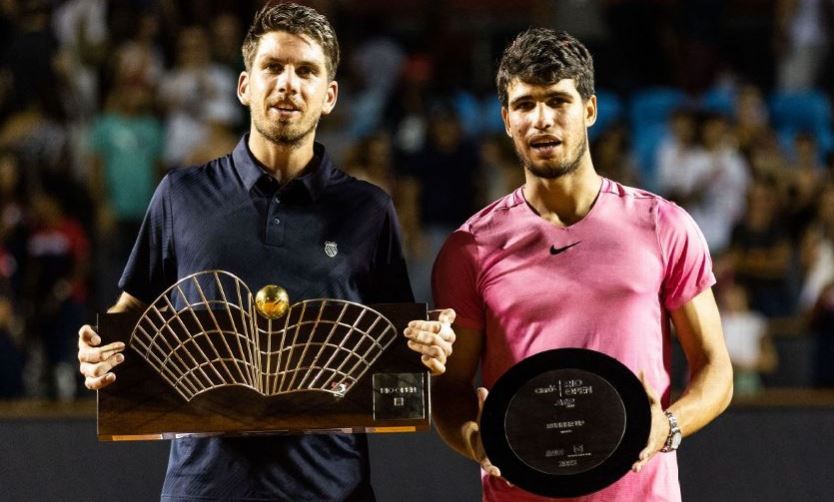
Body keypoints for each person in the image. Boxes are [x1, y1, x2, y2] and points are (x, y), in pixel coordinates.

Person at [77, 3, 454, 501]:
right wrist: (96, 354)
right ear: (244, 85)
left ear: (329, 96)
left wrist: (430, 343)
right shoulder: (180, 194)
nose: (288, 84)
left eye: (306, 71)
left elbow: (397, 342)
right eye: (272, 67)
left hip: (332, 490)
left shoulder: (369, 208)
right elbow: (131, 314)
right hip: (204, 489)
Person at [431, 28, 733, 501]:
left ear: (589, 109)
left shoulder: (664, 225)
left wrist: (667, 427)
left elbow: (716, 368)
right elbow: (449, 389)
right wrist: (476, 441)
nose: (542, 120)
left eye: (558, 101)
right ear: (507, 120)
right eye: (526, 105)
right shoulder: (469, 248)